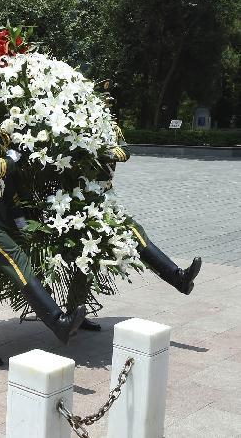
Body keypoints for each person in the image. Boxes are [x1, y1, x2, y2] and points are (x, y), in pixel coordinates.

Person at [0, 74, 85, 366]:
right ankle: (58, 320)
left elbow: (7, 176)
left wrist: (17, 212)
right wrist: (11, 159)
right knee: (17, 260)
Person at [71, 80, 201, 331]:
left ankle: (179, 278)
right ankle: (73, 314)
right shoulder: (81, 127)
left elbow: (124, 151)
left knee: (133, 237)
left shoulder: (112, 128)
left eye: (109, 105)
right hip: (81, 202)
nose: (106, 109)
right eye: (102, 104)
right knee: (85, 258)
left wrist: (107, 152)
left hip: (104, 200)